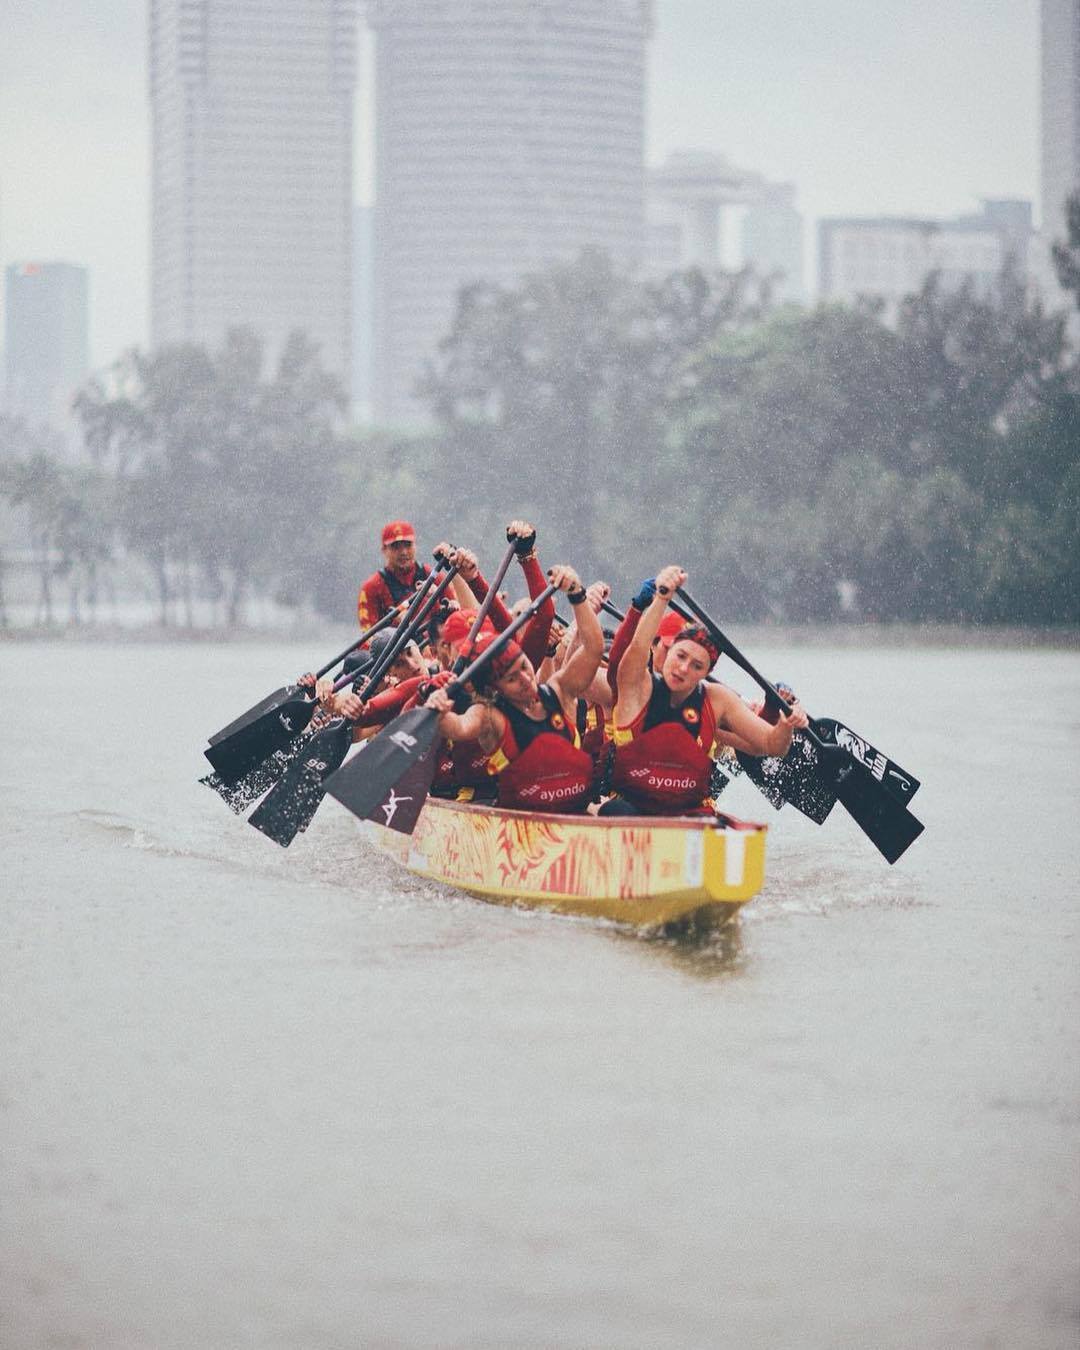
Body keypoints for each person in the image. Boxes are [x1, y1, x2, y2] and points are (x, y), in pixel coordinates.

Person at [603, 566, 808, 816]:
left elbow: (771, 745)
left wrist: (786, 725)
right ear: (667, 650)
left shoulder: (718, 699)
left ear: (705, 673)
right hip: (632, 808)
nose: (683, 668)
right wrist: (661, 598)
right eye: (679, 655)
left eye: (696, 666)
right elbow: (635, 648)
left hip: (690, 812)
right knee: (615, 811)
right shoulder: (638, 686)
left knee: (706, 819)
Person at [425, 565, 603, 813]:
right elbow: (458, 727)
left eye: (524, 666)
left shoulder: (559, 690)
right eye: (511, 679)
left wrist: (576, 594)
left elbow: (594, 648)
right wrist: (439, 712)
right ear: (493, 687)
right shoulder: (489, 715)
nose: (527, 680)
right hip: (520, 827)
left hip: (573, 816)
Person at [356, 520, 432, 630]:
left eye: (408, 545)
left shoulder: (434, 577)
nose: (403, 552)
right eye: (396, 547)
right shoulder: (371, 588)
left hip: (433, 645)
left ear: (415, 546)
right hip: (395, 645)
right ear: (384, 550)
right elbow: (367, 641)